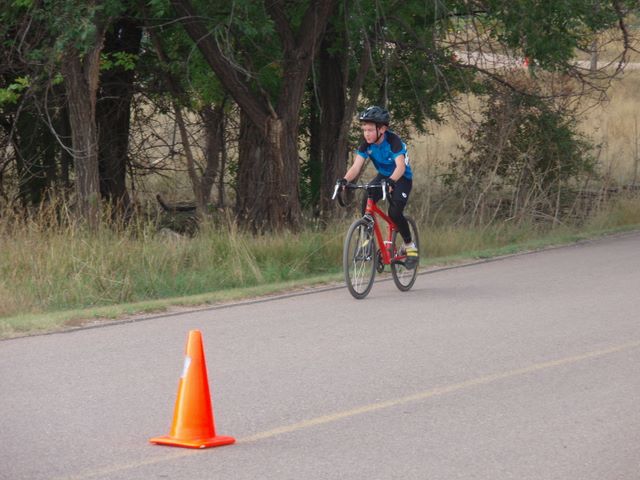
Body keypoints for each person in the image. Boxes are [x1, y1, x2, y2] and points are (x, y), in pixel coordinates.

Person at [339, 106, 418, 268]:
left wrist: (391, 181)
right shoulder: (366, 145)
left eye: (370, 130)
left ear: (382, 129)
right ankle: (367, 241)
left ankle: (410, 246)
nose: (366, 134)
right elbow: (356, 167)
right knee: (367, 199)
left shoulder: (393, 142)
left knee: (394, 213)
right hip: (384, 176)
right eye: (364, 130)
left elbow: (400, 167)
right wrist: (344, 180)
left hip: (401, 177)